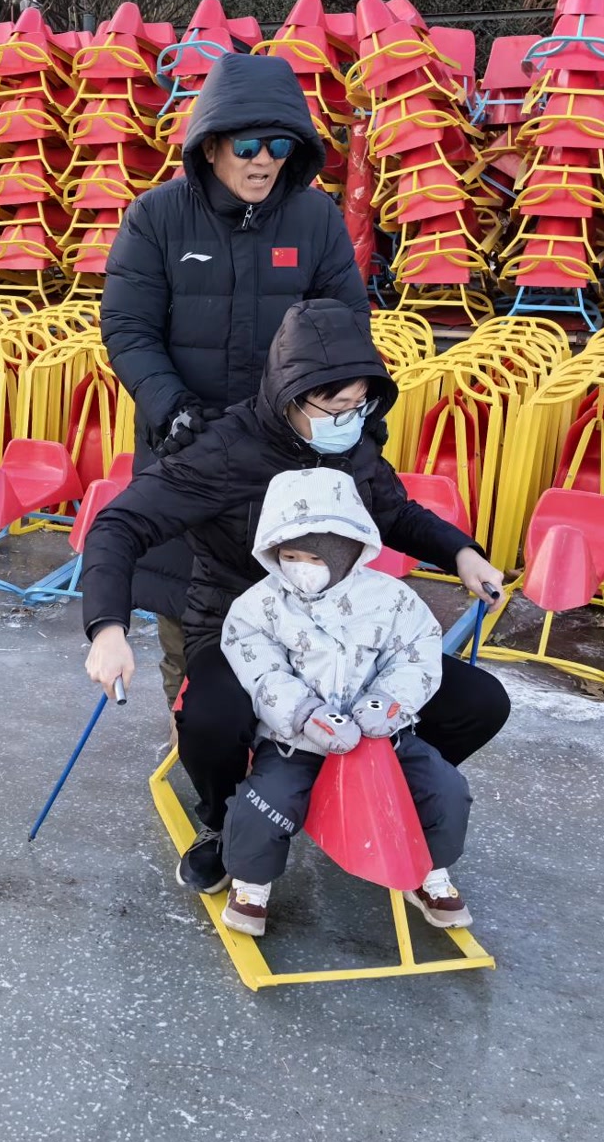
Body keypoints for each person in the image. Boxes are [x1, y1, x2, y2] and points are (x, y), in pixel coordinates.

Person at [79, 298, 509, 897]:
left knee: (480, 702)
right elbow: (121, 524)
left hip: (347, 632)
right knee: (210, 716)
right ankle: (227, 821)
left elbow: (395, 512)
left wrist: (461, 552)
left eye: (359, 405)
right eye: (335, 408)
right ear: (292, 395)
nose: (349, 419)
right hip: (243, 628)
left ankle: (366, 789)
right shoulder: (223, 450)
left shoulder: (353, 445)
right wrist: (107, 627)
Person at [100, 51, 369, 709]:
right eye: (247, 145)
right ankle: (196, 748)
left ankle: (282, 751)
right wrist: (169, 407)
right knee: (190, 629)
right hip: (189, 452)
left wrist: (351, 419)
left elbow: (346, 331)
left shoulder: (315, 219)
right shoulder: (157, 217)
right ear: (211, 145)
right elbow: (128, 328)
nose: (263, 161)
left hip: (289, 459)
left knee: (294, 622)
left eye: (280, 145)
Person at [218, 467, 474, 938]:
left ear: (344, 551)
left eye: (313, 557)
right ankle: (251, 882)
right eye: (289, 555)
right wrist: (305, 714)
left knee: (444, 789)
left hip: (382, 737)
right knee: (266, 803)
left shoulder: (391, 599)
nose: (300, 567)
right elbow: (261, 669)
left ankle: (429, 870)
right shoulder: (260, 605)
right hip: (297, 740)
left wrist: (389, 703)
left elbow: (416, 653)